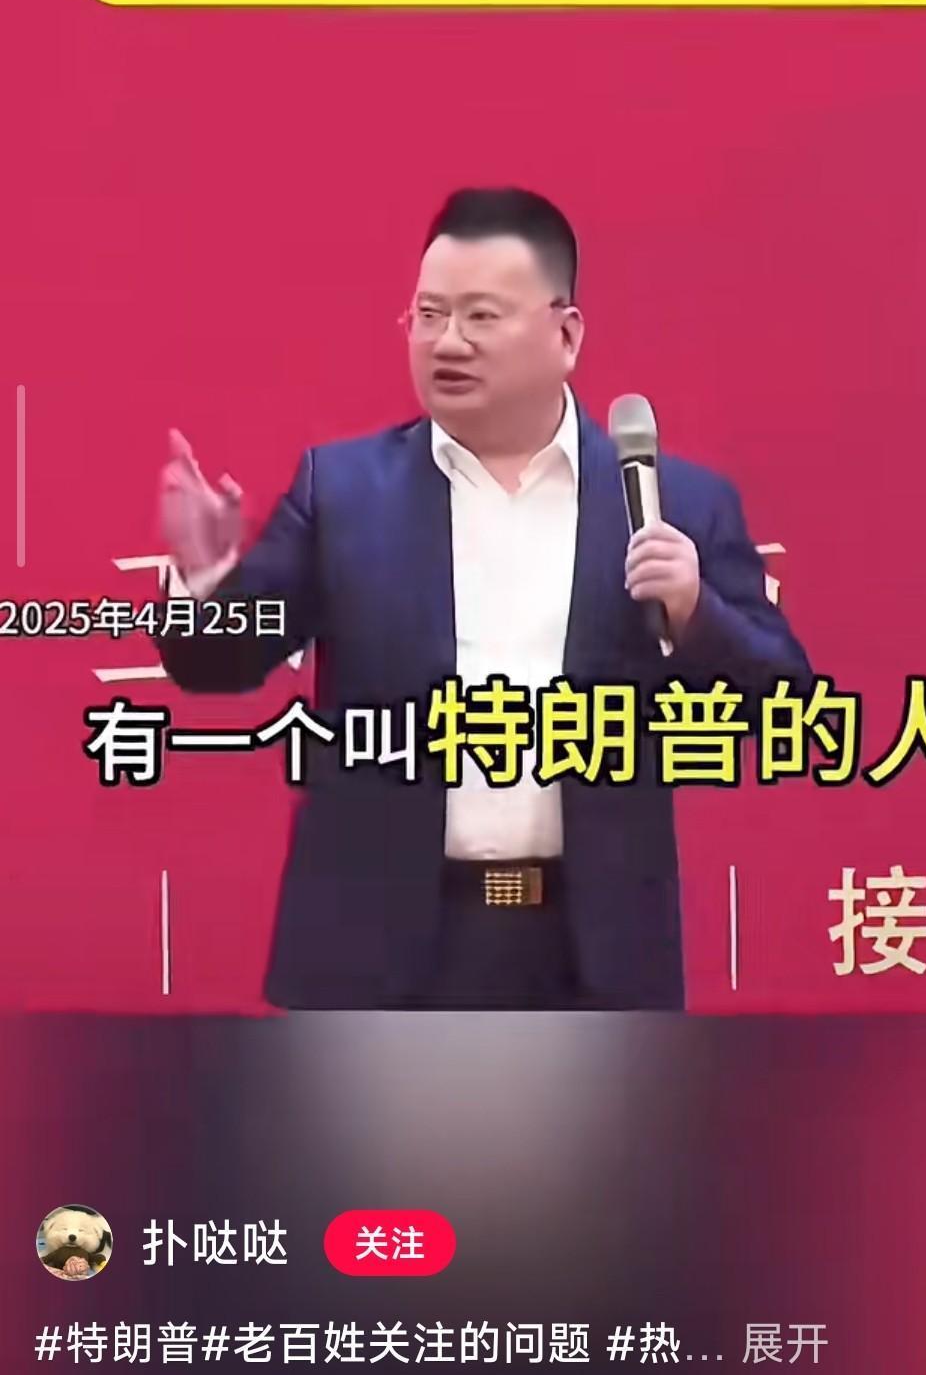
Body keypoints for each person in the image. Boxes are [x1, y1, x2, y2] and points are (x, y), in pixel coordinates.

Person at [158, 188, 811, 1009]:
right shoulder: (344, 491)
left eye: (481, 317)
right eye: (428, 316)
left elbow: (786, 706)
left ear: (565, 334)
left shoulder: (674, 502)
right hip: (378, 957)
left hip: (593, 957)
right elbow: (216, 664)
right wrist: (203, 576)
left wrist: (693, 610)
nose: (447, 342)